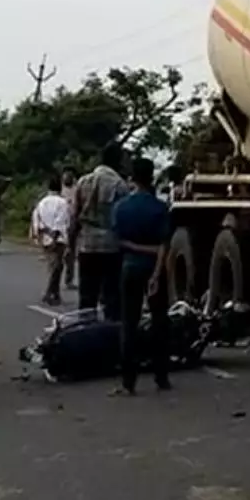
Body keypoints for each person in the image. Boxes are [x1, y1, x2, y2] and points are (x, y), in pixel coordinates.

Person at [109, 157, 173, 396]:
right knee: (159, 322)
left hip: (130, 268)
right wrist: (156, 271)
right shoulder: (160, 208)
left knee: (129, 323)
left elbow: (118, 241)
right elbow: (164, 246)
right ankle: (161, 376)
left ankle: (128, 381)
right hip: (154, 268)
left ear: (132, 179)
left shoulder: (121, 208)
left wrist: (135, 247)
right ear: (151, 178)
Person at [70, 144, 130, 320]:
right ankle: (110, 333)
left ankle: (85, 329)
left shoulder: (83, 181)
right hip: (111, 246)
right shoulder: (120, 185)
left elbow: (74, 216)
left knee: (87, 294)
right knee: (112, 295)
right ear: (117, 161)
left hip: (87, 245)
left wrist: (71, 244)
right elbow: (123, 219)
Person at [32, 175, 73, 306]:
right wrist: (55, 236)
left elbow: (36, 220)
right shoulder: (62, 203)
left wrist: (40, 234)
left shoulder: (42, 202)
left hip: (45, 237)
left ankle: (54, 293)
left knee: (54, 266)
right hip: (58, 239)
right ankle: (50, 292)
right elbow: (61, 221)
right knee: (57, 266)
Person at [60, 168, 79, 291]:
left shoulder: (76, 190)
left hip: (72, 224)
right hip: (60, 225)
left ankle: (68, 279)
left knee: (70, 254)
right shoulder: (60, 190)